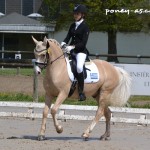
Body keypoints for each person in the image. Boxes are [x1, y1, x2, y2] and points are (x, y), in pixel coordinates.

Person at [61, 4, 90, 101]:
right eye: (74, 14)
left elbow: (83, 43)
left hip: (80, 52)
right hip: (70, 50)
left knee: (78, 67)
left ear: (82, 14)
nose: (75, 15)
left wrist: (72, 47)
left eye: (77, 14)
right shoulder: (72, 25)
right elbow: (68, 36)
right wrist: (64, 43)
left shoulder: (85, 27)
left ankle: (81, 92)